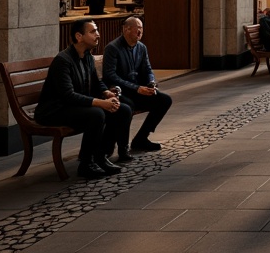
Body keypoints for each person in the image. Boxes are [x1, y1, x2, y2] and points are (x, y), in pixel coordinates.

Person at [35, 18, 131, 179]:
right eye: (93, 31)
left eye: (97, 31)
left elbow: (96, 82)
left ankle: (101, 156)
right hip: (54, 110)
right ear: (79, 36)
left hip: (72, 106)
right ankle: (86, 163)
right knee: (97, 114)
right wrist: (101, 103)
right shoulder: (63, 61)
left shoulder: (87, 56)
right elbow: (67, 95)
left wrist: (106, 93)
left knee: (123, 110)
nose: (98, 35)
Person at [102, 16, 172, 158]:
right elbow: (110, 76)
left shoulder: (141, 47)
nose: (140, 32)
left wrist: (151, 83)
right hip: (121, 91)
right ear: (126, 29)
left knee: (164, 100)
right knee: (128, 107)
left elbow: (148, 69)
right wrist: (136, 88)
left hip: (138, 90)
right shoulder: (113, 48)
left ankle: (141, 138)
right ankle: (122, 148)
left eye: (141, 29)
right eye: (137, 29)